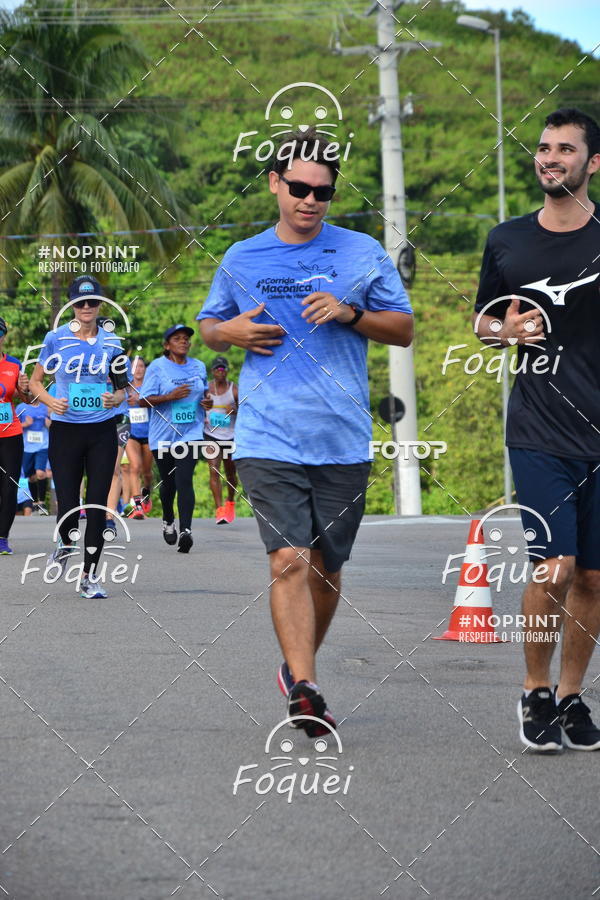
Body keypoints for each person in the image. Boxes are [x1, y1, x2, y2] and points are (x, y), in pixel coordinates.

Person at [198, 129, 413, 736]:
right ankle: (307, 686)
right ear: (274, 184)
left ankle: (297, 670)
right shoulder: (242, 257)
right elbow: (210, 325)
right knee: (290, 558)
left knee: (327, 568)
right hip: (268, 435)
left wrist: (350, 313)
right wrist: (229, 334)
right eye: (298, 188)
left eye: (322, 191)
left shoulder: (362, 251)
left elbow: (402, 329)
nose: (310, 200)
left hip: (342, 437)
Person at [473, 107, 600, 752]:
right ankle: (534, 690)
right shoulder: (507, 240)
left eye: (566, 149)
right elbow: (482, 323)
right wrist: (507, 330)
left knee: (595, 578)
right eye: (543, 148)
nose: (550, 158)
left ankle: (574, 696)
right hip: (539, 427)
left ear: (593, 162)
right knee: (555, 565)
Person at [29, 276, 129, 599]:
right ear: (72, 306)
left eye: (92, 301)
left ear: (100, 305)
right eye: (80, 302)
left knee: (97, 505)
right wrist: (50, 401)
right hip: (65, 430)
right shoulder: (55, 339)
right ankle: (65, 542)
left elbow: (122, 386)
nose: (87, 307)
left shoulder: (112, 342)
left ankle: (89, 576)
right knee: (70, 504)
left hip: (101, 430)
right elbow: (34, 382)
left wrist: (117, 398)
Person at [139, 324, 212, 553]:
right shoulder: (157, 367)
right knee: (168, 484)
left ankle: (186, 530)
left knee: (184, 479)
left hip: (191, 433)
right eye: (177, 338)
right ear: (167, 345)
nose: (183, 342)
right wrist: (169, 396)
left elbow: (205, 393)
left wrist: (207, 402)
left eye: (186, 339)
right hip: (163, 435)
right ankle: (168, 519)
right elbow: (143, 401)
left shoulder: (199, 366)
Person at [0, 316, 30, 553]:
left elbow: (28, 399)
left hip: (11, 434)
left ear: (3, 336)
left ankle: (2, 537)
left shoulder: (14, 365)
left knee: (9, 486)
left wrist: (26, 387)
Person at [204, 355, 238, 524]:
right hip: (211, 434)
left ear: (227, 371)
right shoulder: (207, 389)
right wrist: (203, 411)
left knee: (231, 473)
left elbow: (248, 410)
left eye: (223, 369)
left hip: (230, 436)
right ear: (212, 372)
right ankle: (220, 510)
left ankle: (230, 501)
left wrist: (235, 409)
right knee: (214, 470)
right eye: (217, 369)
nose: (220, 371)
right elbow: (198, 405)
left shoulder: (234, 389)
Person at [123, 357, 153, 519]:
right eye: (135, 367)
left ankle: (147, 491)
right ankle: (138, 507)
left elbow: (158, 402)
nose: (138, 370)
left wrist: (141, 400)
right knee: (135, 467)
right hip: (131, 432)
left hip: (149, 433)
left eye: (141, 366)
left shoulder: (150, 386)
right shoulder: (125, 387)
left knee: (146, 472)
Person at [15, 395, 51, 514]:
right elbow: (12, 426)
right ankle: (35, 502)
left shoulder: (45, 407)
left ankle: (41, 503)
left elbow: (54, 423)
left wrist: (48, 423)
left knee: (40, 473)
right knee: (31, 477)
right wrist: (25, 424)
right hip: (27, 447)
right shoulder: (21, 408)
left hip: (43, 445)